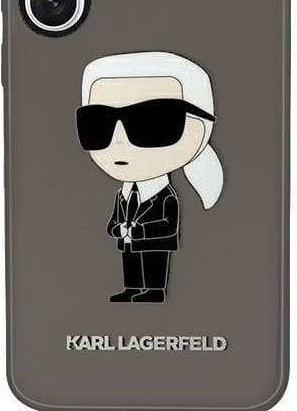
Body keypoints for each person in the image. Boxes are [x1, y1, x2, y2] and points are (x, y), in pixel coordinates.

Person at [76, 51, 223, 302]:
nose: (119, 140)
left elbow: (168, 224)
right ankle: (133, 288)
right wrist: (117, 229)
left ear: (199, 131)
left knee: (154, 265)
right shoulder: (123, 195)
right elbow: (114, 220)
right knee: (131, 264)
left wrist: (139, 230)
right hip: (129, 242)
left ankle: (154, 291)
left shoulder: (166, 197)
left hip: (154, 243)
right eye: (98, 124)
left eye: (153, 123)